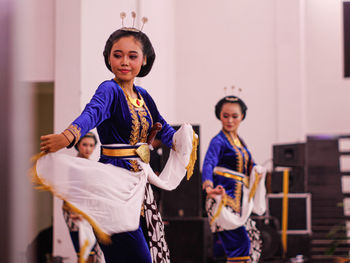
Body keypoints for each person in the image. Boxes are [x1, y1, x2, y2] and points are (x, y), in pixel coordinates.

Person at [37, 13, 197, 263]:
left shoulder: (143, 95)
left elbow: (163, 129)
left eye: (132, 56)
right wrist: (68, 136)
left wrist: (184, 139)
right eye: (117, 55)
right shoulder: (108, 89)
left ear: (144, 60)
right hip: (112, 186)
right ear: (108, 58)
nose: (124, 62)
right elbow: (92, 113)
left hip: (139, 188)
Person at [202, 95, 266, 263]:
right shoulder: (218, 141)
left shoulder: (240, 143)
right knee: (239, 246)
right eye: (225, 116)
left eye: (234, 116)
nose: (230, 120)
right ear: (219, 116)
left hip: (240, 203)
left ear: (242, 117)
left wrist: (258, 170)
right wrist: (208, 187)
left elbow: (250, 164)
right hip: (225, 200)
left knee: (250, 244)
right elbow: (208, 163)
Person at [61, 132, 104, 263]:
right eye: (85, 144)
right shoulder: (73, 165)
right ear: (78, 145)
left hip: (91, 213)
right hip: (75, 212)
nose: (88, 148)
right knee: (85, 253)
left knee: (94, 253)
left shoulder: (92, 165)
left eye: (91, 145)